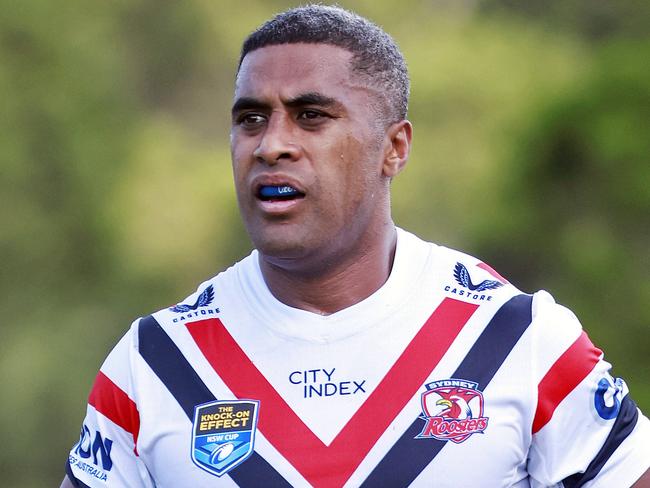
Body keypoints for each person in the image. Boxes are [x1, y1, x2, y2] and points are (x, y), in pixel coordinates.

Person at [61, 5, 650, 487]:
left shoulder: (516, 338)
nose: (272, 145)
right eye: (251, 119)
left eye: (311, 116)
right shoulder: (156, 362)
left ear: (394, 148)